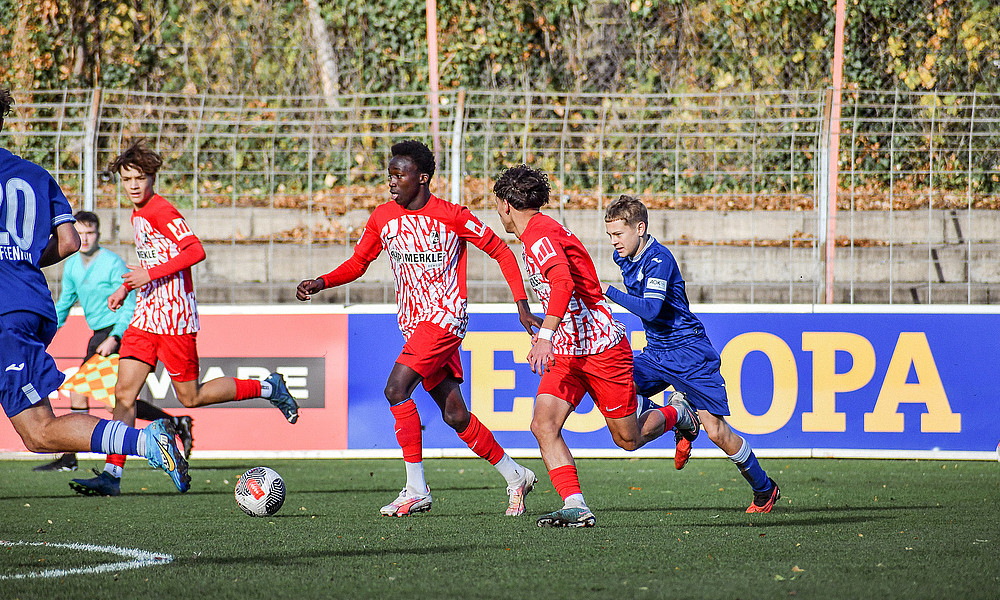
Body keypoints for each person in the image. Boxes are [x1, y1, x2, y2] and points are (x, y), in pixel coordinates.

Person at [296, 140, 538, 517]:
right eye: (390, 174)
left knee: (396, 389)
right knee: (455, 415)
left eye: (399, 174)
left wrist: (522, 308)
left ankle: (415, 489)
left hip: (444, 318)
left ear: (422, 177)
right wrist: (322, 281)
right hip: (413, 324)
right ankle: (516, 474)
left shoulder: (453, 215)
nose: (392, 181)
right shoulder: (382, 218)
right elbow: (359, 263)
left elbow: (502, 251)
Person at [69, 139, 299, 497]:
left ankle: (268, 387)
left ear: (152, 179)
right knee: (123, 395)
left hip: (175, 318)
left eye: (139, 178)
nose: (132, 185)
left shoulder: (161, 210)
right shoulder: (138, 213)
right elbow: (157, 261)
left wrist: (149, 275)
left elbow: (195, 250)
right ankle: (112, 476)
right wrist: (128, 288)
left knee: (190, 398)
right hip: (146, 317)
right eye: (127, 178)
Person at [0, 86, 190, 493]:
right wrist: (19, 259)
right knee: (42, 429)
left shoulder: (151, 219)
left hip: (8, 314)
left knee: (39, 431)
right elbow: (67, 242)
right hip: (27, 302)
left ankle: (144, 440)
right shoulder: (35, 175)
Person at [492, 165, 700, 528]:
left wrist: (544, 336)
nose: (496, 211)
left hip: (602, 348)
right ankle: (575, 504)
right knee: (543, 424)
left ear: (506, 204)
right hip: (568, 352)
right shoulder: (538, 233)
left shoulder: (539, 235)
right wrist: (536, 318)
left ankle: (677, 414)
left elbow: (561, 282)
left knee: (628, 439)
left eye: (496, 204)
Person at [603, 194, 780, 513]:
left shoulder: (660, 259)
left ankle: (764, 489)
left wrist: (608, 294)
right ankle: (680, 417)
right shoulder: (624, 258)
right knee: (613, 383)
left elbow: (653, 309)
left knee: (716, 431)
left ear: (640, 228)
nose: (614, 242)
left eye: (618, 234)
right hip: (657, 352)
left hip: (689, 355)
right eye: (610, 236)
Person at [33, 210, 195, 472]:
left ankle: (76, 460)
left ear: (99, 234)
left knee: (114, 400)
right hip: (97, 336)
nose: (84, 238)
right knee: (97, 396)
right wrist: (46, 331)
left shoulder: (112, 263)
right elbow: (64, 303)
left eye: (90, 233)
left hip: (117, 333)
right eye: (80, 233)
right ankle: (176, 424)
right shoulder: (72, 264)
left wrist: (114, 338)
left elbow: (130, 305)